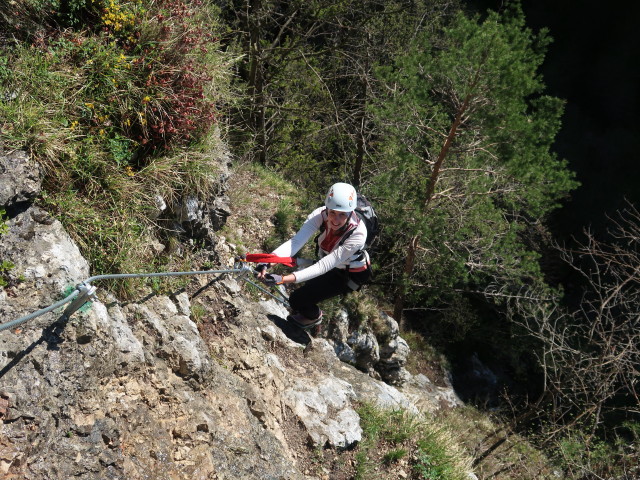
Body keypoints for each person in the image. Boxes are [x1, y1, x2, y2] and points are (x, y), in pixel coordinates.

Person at [257, 182, 372, 328]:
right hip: (327, 260)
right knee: (305, 293)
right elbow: (296, 242)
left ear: (350, 213)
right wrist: (267, 261)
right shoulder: (320, 214)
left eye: (342, 215)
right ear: (327, 208)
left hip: (350, 273)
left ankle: (314, 317)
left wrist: (283, 279)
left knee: (297, 299)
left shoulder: (358, 234)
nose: (335, 220)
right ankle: (307, 311)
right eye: (333, 213)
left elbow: (323, 266)